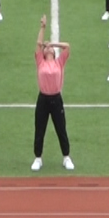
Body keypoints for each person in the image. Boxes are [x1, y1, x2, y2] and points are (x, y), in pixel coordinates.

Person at [31, 16, 74, 171]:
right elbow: (37, 45)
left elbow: (67, 47)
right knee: (40, 129)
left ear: (54, 53)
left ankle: (66, 157)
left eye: (51, 49)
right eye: (46, 48)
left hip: (56, 99)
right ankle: (38, 158)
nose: (48, 49)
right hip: (43, 99)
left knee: (61, 128)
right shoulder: (40, 62)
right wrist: (43, 27)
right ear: (43, 52)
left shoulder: (59, 62)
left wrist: (53, 44)